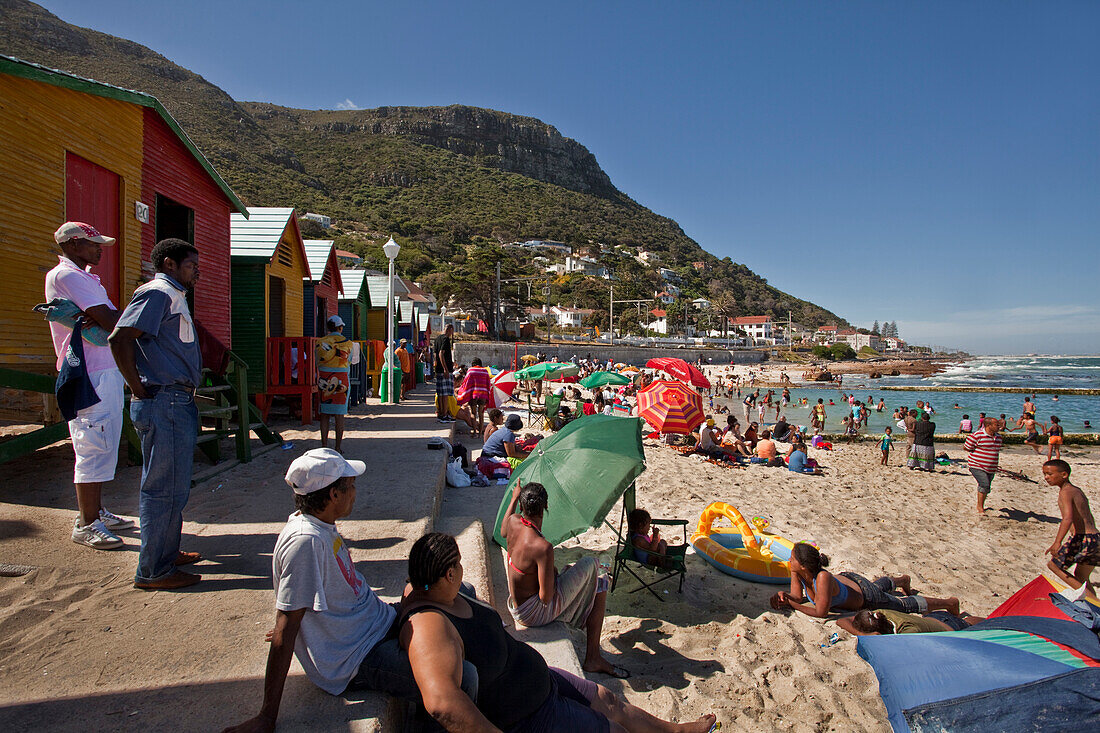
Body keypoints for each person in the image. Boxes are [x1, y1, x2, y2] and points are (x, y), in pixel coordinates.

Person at [222, 450, 478, 733]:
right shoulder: (305, 543)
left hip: (375, 621)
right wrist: (266, 717)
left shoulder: (319, 527)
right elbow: (287, 624)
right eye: (351, 486)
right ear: (333, 495)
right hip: (358, 654)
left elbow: (303, 603)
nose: (355, 493)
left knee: (461, 591)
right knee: (464, 678)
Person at [396, 533, 717, 732]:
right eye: (460, 565)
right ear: (450, 573)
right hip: (529, 714)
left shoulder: (432, 588)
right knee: (613, 730)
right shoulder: (429, 625)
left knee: (608, 700)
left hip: (538, 680)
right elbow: (441, 702)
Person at [109, 238, 204, 590]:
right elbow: (120, 339)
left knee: (174, 485)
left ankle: (167, 551)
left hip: (175, 401)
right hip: (165, 401)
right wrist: (136, 387)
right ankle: (154, 571)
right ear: (169, 264)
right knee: (163, 487)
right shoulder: (157, 293)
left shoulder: (172, 295)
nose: (197, 271)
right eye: (191, 265)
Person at [44, 221, 132, 549]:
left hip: (102, 369)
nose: (100, 249)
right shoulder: (68, 276)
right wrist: (115, 318)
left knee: (103, 440)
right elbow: (112, 321)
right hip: (90, 372)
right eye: (93, 244)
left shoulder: (83, 278)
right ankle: (87, 522)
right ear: (74, 243)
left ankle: (95, 510)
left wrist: (107, 317)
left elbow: (106, 319)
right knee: (93, 443)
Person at [500, 482, 624, 678]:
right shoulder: (542, 547)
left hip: (516, 605)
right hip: (533, 613)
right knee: (599, 571)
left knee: (583, 576)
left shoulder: (514, 521)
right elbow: (546, 597)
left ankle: (593, 652)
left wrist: (514, 497)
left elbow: (503, 532)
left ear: (521, 507)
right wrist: (551, 571)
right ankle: (593, 657)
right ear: (546, 507)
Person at [769, 543, 960, 619]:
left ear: (803, 565)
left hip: (864, 595)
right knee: (878, 588)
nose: (789, 561)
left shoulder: (823, 577)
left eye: (792, 559)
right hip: (853, 585)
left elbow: (821, 612)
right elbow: (797, 595)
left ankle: (949, 603)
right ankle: (902, 580)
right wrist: (785, 597)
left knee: (902, 605)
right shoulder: (797, 572)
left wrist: (794, 605)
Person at [1044, 459, 1098, 600]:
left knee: (1054, 566)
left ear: (1064, 475)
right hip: (1095, 538)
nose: (1046, 477)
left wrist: (1057, 542)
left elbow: (1067, 518)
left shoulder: (1066, 492)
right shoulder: (1076, 490)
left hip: (1083, 538)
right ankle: (1094, 603)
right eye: (1044, 474)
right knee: (1081, 576)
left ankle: (1094, 602)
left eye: (1050, 474)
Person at [316, 316, 353, 452]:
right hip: (342, 378)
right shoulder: (348, 343)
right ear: (340, 327)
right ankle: (337, 447)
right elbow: (349, 361)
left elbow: (317, 362)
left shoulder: (320, 342)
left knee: (324, 414)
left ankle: (324, 446)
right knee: (339, 415)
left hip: (324, 379)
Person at [838, 607, 982, 636]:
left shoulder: (908, 631)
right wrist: (861, 634)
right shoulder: (882, 613)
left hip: (953, 628)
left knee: (969, 623)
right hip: (935, 616)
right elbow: (841, 620)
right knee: (968, 620)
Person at [964, 417, 1003, 515]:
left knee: (986, 487)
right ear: (988, 426)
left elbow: (996, 451)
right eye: (996, 425)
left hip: (991, 467)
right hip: (976, 465)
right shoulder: (977, 435)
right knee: (984, 484)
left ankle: (981, 504)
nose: (999, 427)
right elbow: (967, 447)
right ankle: (980, 507)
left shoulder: (998, 437)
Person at [456, 357, 491, 431]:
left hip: (473, 395)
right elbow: (488, 383)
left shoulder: (470, 370)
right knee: (481, 414)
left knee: (473, 413)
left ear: (473, 364)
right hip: (483, 395)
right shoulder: (485, 371)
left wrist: (462, 392)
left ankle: (475, 432)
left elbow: (466, 382)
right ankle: (480, 432)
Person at [433, 324, 455, 423]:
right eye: (452, 331)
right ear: (450, 330)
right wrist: (446, 369)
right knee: (446, 394)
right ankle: (445, 414)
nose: (452, 334)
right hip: (445, 370)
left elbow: (435, 355)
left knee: (441, 393)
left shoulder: (437, 339)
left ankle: (441, 414)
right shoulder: (446, 339)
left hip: (438, 370)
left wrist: (437, 367)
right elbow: (441, 353)